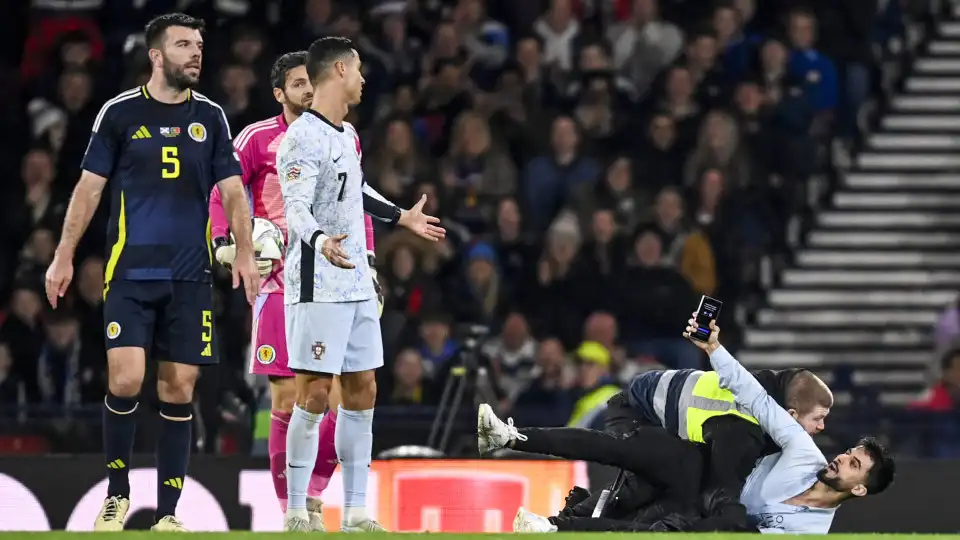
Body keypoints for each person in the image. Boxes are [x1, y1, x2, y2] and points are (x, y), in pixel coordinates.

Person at [43, 13, 259, 532]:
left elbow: (232, 190)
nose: (196, 54)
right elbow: (89, 188)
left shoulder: (211, 116)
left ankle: (167, 514)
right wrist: (63, 253)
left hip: (190, 277)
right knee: (126, 378)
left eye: (200, 45)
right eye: (184, 45)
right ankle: (117, 495)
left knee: (179, 389)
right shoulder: (118, 113)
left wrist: (246, 251)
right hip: (130, 272)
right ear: (156, 56)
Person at [508, 316, 897, 534]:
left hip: (702, 511)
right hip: (697, 465)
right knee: (631, 456)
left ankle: (555, 525)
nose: (842, 457)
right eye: (850, 454)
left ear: (859, 488)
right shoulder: (801, 451)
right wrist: (715, 350)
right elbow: (757, 398)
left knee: (659, 526)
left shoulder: (810, 531)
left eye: (854, 463)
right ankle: (513, 436)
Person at [276, 36, 445, 532]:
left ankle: (354, 513)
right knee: (311, 395)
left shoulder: (347, 134)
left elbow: (357, 187)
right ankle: (294, 511)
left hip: (356, 282)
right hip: (317, 283)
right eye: (359, 70)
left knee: (364, 389)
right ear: (340, 71)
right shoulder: (300, 137)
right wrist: (321, 240)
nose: (364, 80)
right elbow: (295, 207)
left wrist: (400, 217)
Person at [207, 51, 381, 531]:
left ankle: (315, 494)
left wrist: (368, 262)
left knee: (343, 399)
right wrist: (227, 242)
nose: (308, 91)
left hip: (341, 280)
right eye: (298, 84)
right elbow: (223, 190)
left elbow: (358, 206)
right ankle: (294, 508)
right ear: (279, 93)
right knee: (289, 397)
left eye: (312, 81)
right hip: (283, 282)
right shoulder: (258, 139)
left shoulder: (345, 137)